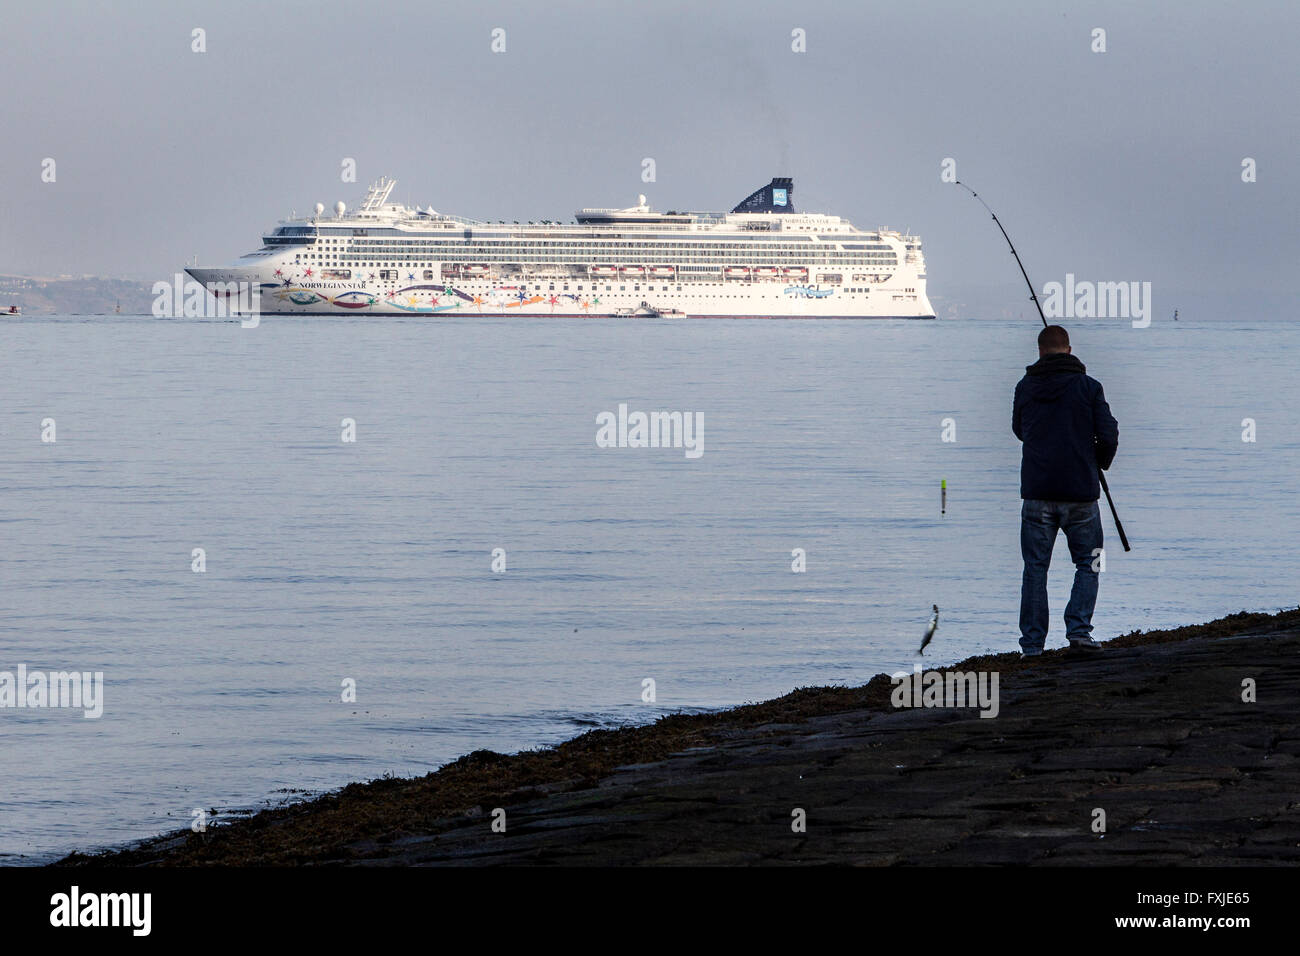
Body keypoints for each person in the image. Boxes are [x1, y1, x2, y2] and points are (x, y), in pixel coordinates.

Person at [1013, 325, 1119, 658]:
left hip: (1037, 492)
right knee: (1091, 563)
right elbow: (1109, 434)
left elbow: (1020, 430)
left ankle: (1032, 645)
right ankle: (1079, 631)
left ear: (1040, 351)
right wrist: (1098, 461)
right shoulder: (1089, 387)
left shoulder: (1025, 387)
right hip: (1081, 493)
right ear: (1069, 350)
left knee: (1035, 568)